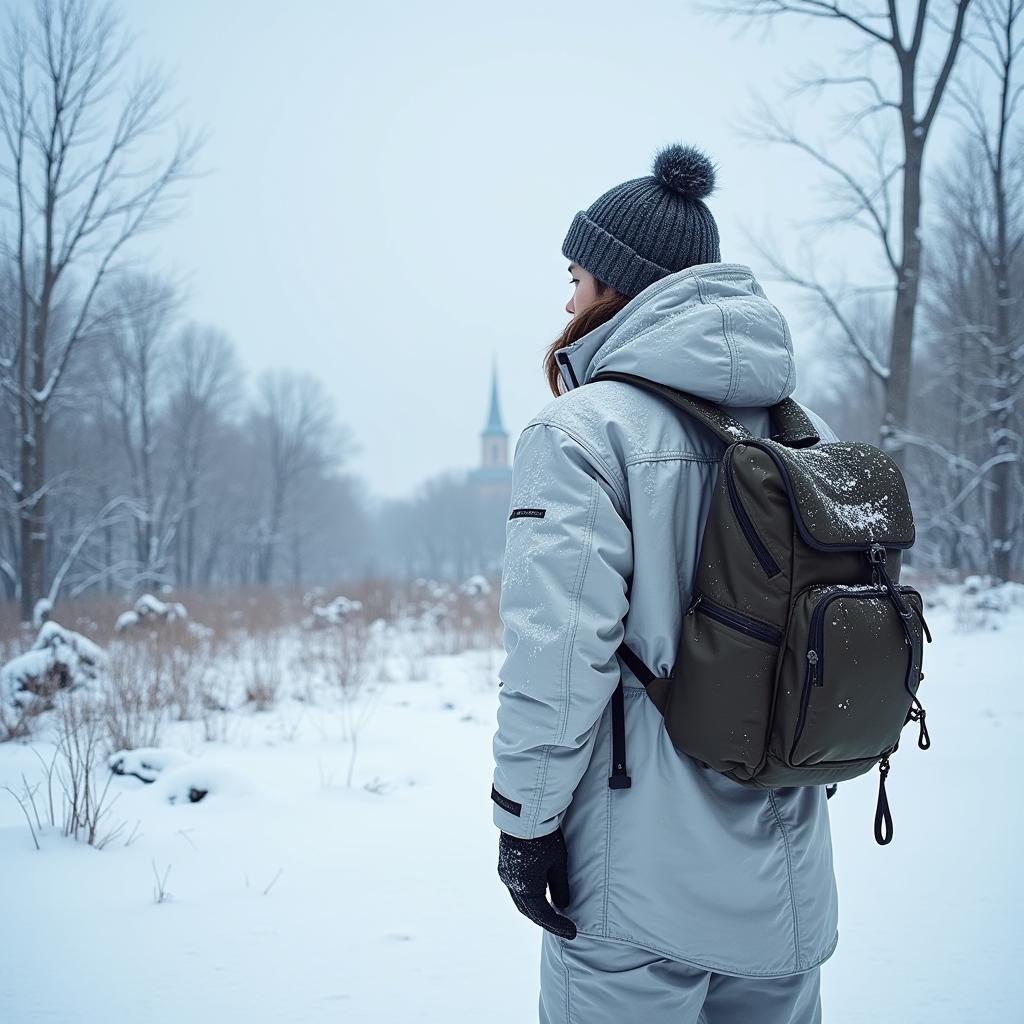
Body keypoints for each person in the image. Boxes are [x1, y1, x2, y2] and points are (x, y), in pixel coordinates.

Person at [490, 142, 840, 1024]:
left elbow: (558, 659)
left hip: (634, 887)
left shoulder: (579, 434)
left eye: (576, 276)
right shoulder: (804, 431)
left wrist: (524, 826)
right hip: (786, 880)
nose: (567, 300)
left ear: (619, 284)